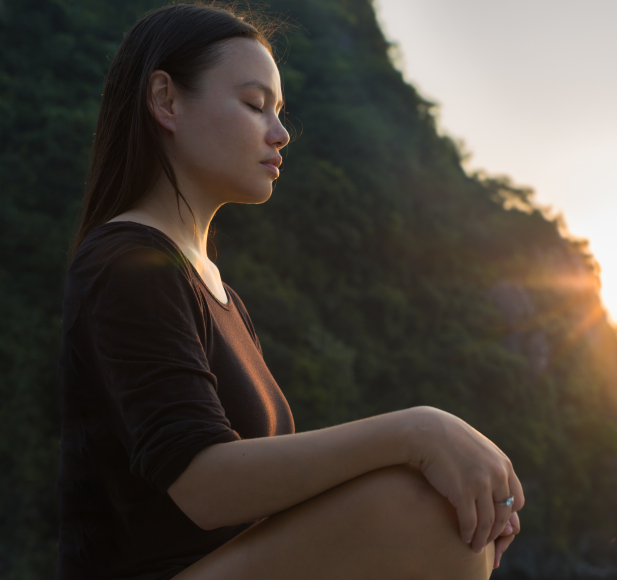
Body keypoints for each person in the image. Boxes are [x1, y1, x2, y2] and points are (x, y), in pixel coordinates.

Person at [56, 3, 524, 579]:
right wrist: (419, 431)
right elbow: (206, 486)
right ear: (166, 100)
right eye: (255, 105)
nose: (280, 134)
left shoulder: (217, 292)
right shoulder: (126, 263)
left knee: (442, 512)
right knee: (420, 506)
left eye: (279, 111)